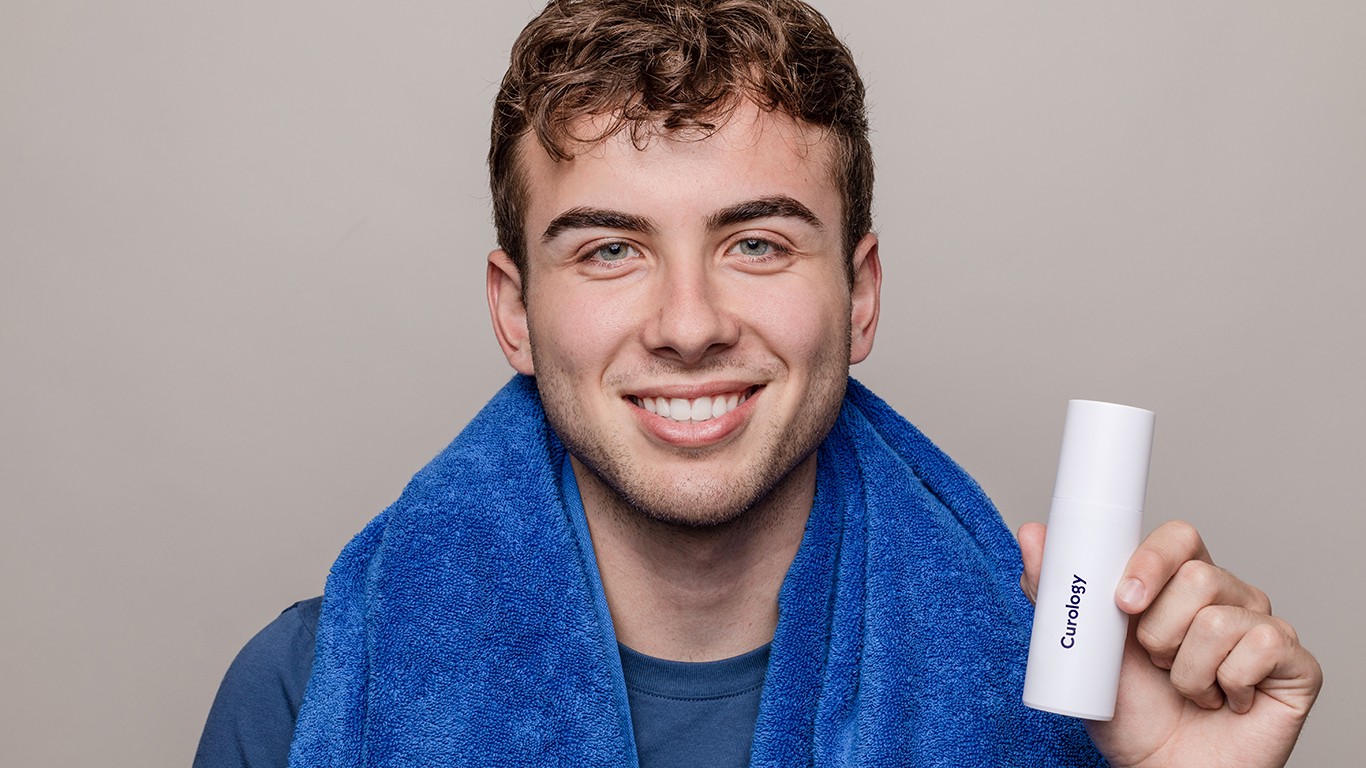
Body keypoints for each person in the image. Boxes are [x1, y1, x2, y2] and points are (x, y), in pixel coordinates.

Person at [194, 1, 1322, 766]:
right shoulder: (308, 693)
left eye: (758, 244)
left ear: (860, 292)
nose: (689, 326)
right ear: (513, 311)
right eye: (608, 250)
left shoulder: (1065, 706)